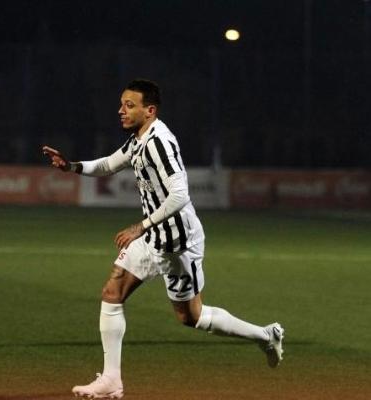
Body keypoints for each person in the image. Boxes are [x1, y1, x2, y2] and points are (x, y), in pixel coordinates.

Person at [42, 79, 284, 399]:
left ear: (150, 110)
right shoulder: (137, 140)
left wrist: (141, 226)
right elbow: (109, 164)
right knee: (112, 293)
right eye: (121, 104)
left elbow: (180, 195)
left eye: (130, 105)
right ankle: (112, 380)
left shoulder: (160, 143)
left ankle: (265, 336)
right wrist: (72, 166)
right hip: (154, 238)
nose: (121, 110)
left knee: (191, 317)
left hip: (179, 244)